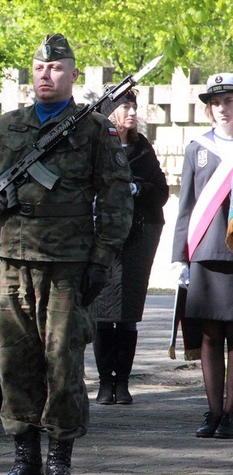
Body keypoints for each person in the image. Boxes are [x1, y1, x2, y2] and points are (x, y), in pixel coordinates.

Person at [0, 34, 132, 475]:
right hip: (12, 261)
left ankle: (59, 462)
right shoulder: (9, 125)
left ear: (74, 75)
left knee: (63, 362)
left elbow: (116, 199)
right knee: (14, 361)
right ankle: (25, 460)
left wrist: (102, 258)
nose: (45, 76)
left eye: (56, 70)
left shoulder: (95, 129)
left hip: (67, 267)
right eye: (38, 69)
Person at [93, 90, 169, 405]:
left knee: (127, 312)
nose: (132, 112)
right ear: (110, 112)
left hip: (139, 234)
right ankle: (103, 383)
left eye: (134, 107)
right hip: (101, 234)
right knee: (102, 310)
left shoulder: (141, 148)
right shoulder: (95, 146)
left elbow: (161, 190)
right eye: (125, 106)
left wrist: (135, 187)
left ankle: (121, 383)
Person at [172, 73, 233, 440]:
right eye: (217, 103)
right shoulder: (197, 147)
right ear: (209, 110)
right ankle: (212, 411)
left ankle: (231, 413)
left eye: (230, 101)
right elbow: (186, 205)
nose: (223, 109)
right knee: (210, 335)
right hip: (206, 251)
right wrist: (180, 257)